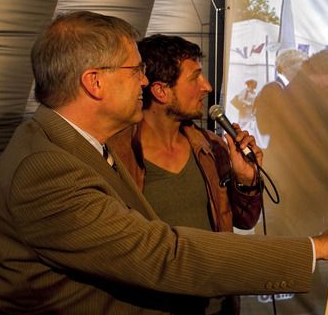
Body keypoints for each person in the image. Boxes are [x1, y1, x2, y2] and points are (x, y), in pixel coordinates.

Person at [0, 11, 328, 314]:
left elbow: (233, 222)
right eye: (136, 72)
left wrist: (245, 181)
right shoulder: (45, 169)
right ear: (94, 82)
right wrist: (317, 247)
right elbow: (165, 255)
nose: (144, 83)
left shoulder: (78, 145)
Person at [107, 34, 261, 315]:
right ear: (161, 91)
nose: (207, 87)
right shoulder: (116, 154)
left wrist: (246, 179)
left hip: (217, 306)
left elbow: (245, 219)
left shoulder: (212, 146)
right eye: (195, 78)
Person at [266, 49, 328, 236]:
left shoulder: (312, 93)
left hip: (307, 185)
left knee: (307, 242)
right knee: (304, 244)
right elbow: (299, 145)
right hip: (301, 187)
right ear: (320, 71)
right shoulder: (296, 97)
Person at [253, 48, 307, 149]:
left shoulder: (280, 88)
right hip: (277, 151)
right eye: (300, 68)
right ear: (285, 67)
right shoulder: (274, 89)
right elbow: (269, 125)